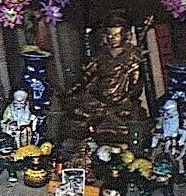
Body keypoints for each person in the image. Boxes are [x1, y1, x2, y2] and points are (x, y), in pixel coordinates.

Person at [63, 11, 146, 139]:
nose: (112, 39)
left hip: (120, 101)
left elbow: (135, 84)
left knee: (129, 113)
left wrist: (127, 98)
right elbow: (86, 77)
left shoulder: (132, 57)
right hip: (99, 98)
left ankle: (105, 121)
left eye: (116, 35)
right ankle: (97, 120)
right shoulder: (101, 56)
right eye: (109, 35)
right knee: (73, 104)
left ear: (127, 36)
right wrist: (71, 90)